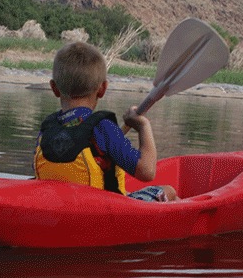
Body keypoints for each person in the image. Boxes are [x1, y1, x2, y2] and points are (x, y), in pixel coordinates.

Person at [34, 42, 177, 202]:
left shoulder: (47, 128)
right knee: (169, 191)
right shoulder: (104, 127)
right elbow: (147, 172)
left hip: (58, 208)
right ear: (102, 89)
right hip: (103, 213)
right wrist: (142, 125)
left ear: (54, 88)